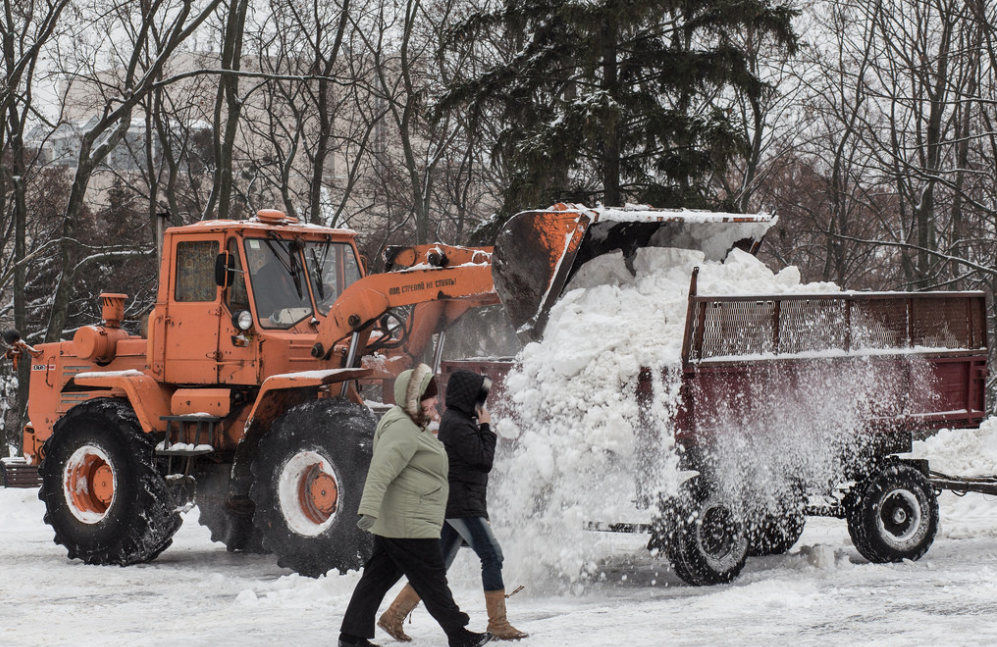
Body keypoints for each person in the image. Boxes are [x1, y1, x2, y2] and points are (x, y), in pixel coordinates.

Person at [339, 363, 492, 647]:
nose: (436, 401)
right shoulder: (402, 427)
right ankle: (459, 634)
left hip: (399, 519)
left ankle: (351, 637)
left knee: (376, 579)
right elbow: (382, 468)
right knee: (432, 579)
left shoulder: (410, 423)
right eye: (430, 396)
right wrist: (368, 509)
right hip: (408, 521)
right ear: (416, 398)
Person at [378, 370, 528, 642]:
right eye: (478, 397)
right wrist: (486, 428)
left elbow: (472, 471)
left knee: (436, 568)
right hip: (460, 505)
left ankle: (393, 616)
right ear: (467, 396)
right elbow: (484, 461)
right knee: (492, 557)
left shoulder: (458, 422)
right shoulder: (458, 424)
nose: (481, 403)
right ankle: (498, 623)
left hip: (458, 503)